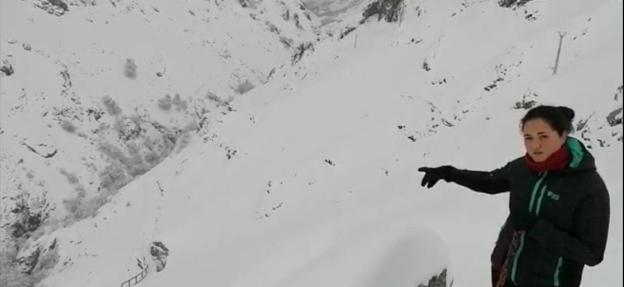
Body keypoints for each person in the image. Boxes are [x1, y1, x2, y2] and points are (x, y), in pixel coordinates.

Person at [418, 105, 610, 287]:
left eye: (543, 136)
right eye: (528, 137)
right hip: (505, 270)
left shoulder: (589, 187)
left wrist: (537, 228)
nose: (535, 145)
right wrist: (450, 173)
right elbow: (490, 182)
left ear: (563, 135)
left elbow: (592, 253)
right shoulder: (522, 168)